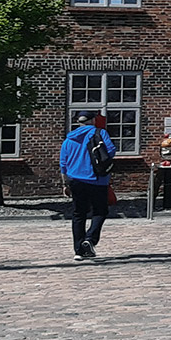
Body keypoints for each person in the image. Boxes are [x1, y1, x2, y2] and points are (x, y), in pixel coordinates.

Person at [59, 112, 117, 261]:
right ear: (93, 120)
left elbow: (63, 164)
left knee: (79, 214)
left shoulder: (69, 139)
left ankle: (79, 250)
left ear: (79, 122)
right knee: (100, 211)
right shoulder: (100, 132)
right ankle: (89, 240)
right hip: (97, 180)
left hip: (76, 181)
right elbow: (110, 151)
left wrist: (65, 184)